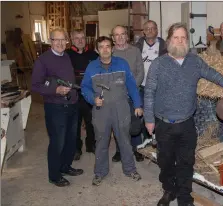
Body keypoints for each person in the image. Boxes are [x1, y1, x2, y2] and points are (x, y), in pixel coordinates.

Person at [144, 22, 223, 206]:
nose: (179, 41)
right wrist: (149, 119)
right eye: (175, 37)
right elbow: (149, 92)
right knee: (165, 162)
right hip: (164, 124)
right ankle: (169, 190)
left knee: (186, 163)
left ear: (187, 40)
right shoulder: (158, 64)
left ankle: (185, 198)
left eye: (183, 37)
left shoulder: (194, 61)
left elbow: (210, 73)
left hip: (186, 124)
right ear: (169, 40)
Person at [81, 36, 143, 186]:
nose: (105, 49)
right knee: (101, 142)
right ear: (97, 50)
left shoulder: (122, 64)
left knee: (125, 140)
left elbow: (132, 85)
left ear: (112, 48)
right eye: (101, 47)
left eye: (107, 46)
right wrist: (92, 99)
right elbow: (85, 87)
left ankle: (130, 169)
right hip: (101, 110)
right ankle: (100, 172)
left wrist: (138, 104)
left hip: (121, 108)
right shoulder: (92, 67)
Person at [31, 28, 83, 187]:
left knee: (70, 140)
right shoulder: (43, 60)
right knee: (57, 142)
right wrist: (55, 90)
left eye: (63, 40)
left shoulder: (66, 55)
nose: (60, 43)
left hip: (72, 105)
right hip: (55, 108)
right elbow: (35, 85)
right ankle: (54, 175)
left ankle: (65, 166)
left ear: (67, 40)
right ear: (50, 41)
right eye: (56, 40)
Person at [111, 25, 145, 162]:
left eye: (122, 34)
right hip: (116, 95)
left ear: (127, 35)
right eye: (116, 35)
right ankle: (120, 150)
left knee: (135, 125)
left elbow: (140, 72)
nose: (120, 37)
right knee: (119, 124)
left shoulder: (135, 51)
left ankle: (136, 149)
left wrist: (131, 88)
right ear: (113, 38)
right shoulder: (110, 52)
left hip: (134, 94)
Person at [66, 29, 99, 160]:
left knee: (92, 122)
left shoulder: (93, 55)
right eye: (77, 38)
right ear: (72, 40)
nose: (80, 40)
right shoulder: (66, 55)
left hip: (89, 95)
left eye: (82, 38)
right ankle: (76, 148)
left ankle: (91, 145)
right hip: (73, 95)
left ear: (86, 39)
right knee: (75, 124)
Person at [134, 20, 167, 142]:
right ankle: (145, 140)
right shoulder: (137, 47)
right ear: (143, 32)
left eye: (152, 28)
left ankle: (157, 140)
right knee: (141, 115)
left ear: (157, 30)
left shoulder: (165, 46)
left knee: (158, 114)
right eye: (147, 28)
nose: (150, 30)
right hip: (142, 87)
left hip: (159, 87)